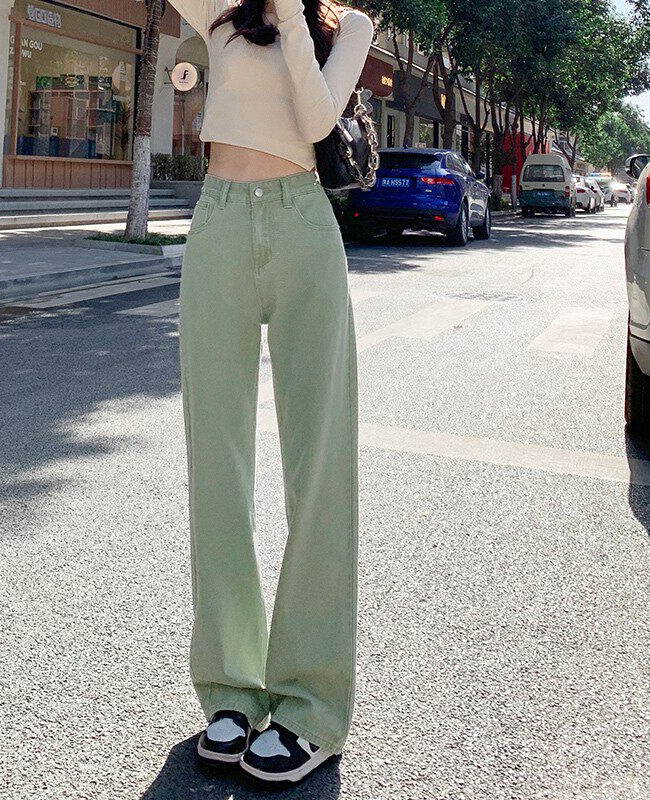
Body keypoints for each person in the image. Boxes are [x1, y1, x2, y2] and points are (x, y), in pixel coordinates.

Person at [168, 0, 374, 785]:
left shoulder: (349, 30)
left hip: (302, 228)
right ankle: (230, 690)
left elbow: (318, 122)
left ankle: (309, 706)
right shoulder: (220, 11)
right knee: (216, 462)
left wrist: (290, 16)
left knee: (318, 466)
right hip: (220, 223)